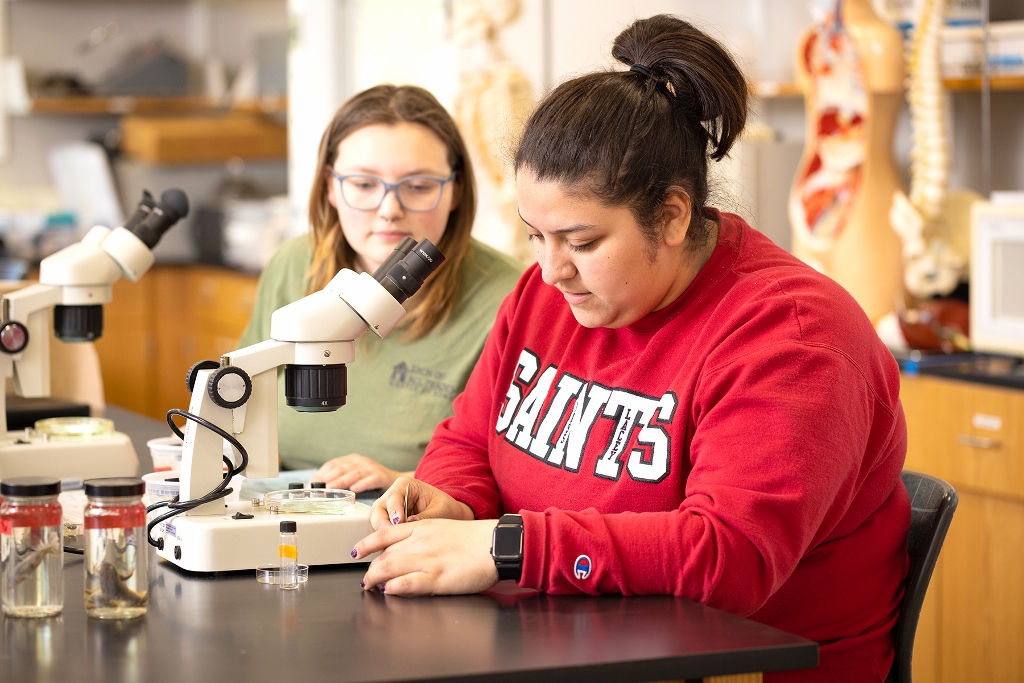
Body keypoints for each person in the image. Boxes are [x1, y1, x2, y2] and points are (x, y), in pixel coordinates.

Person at [352, 15, 910, 683]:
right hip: (573, 648)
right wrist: (451, 499)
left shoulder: (792, 335)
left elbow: (725, 558)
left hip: (742, 663)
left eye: (582, 242)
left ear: (672, 217)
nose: (550, 268)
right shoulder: (546, 294)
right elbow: (471, 437)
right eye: (536, 235)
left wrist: (507, 547)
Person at [238, 85, 524, 492]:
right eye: (364, 185)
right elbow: (243, 409)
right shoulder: (293, 264)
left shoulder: (511, 298)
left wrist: (405, 480)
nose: (390, 210)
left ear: (456, 189)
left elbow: (517, 475)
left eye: (419, 186)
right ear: (330, 187)